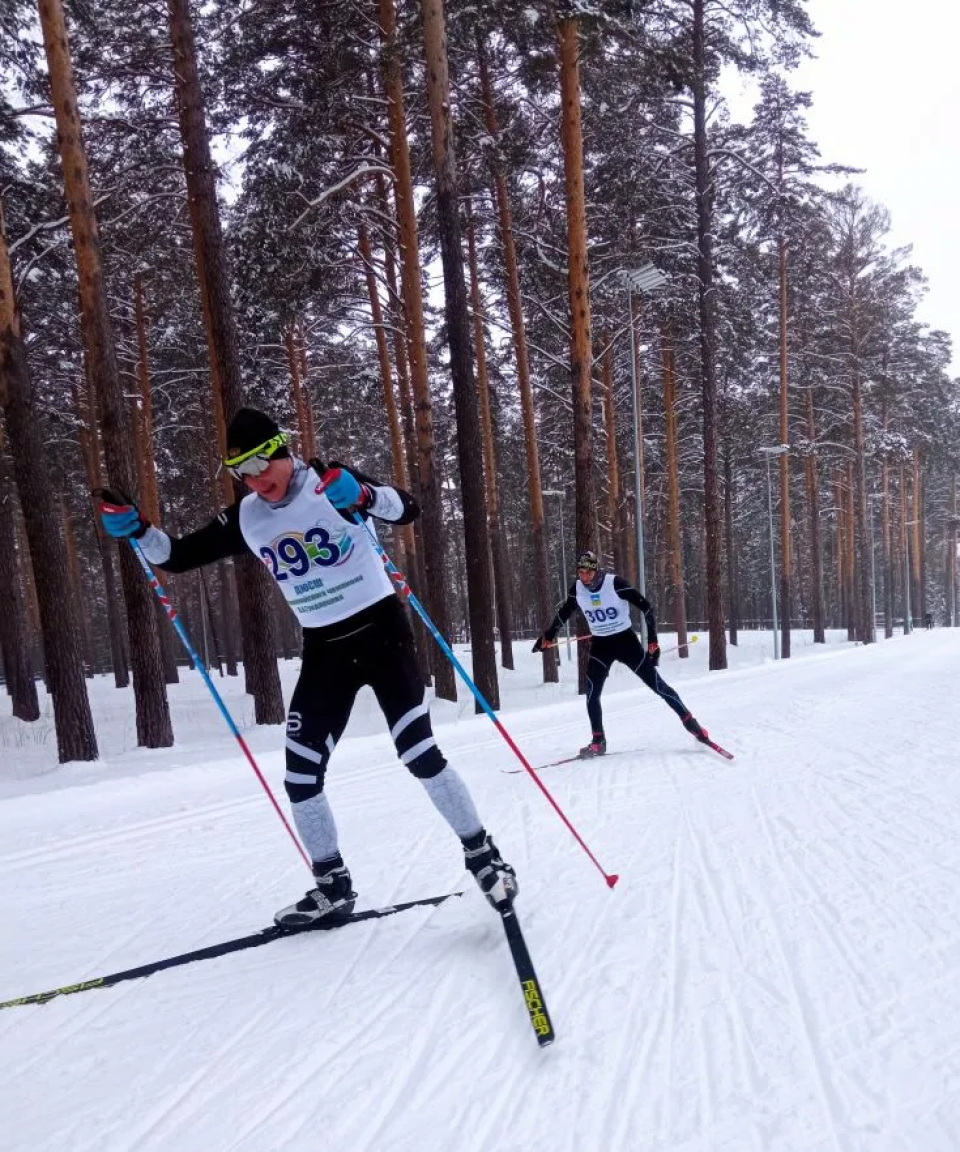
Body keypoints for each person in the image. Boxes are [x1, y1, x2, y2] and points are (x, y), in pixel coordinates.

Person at [98, 406, 517, 926]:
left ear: (281, 450)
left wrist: (364, 496)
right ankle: (332, 886)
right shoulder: (247, 515)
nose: (255, 481)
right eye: (241, 473)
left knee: (418, 752)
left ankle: (484, 855)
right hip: (325, 648)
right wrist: (139, 528)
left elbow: (407, 509)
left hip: (382, 632)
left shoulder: (326, 480)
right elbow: (177, 556)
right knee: (300, 775)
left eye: (259, 466)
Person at [532, 549, 711, 757]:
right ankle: (598, 741)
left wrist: (652, 640)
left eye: (588, 572)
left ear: (596, 570)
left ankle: (694, 727)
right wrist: (548, 636)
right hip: (601, 646)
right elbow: (564, 613)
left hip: (626, 642)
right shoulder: (577, 589)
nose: (585, 577)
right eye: (581, 572)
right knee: (591, 693)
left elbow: (646, 607)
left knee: (659, 686)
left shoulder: (614, 583)